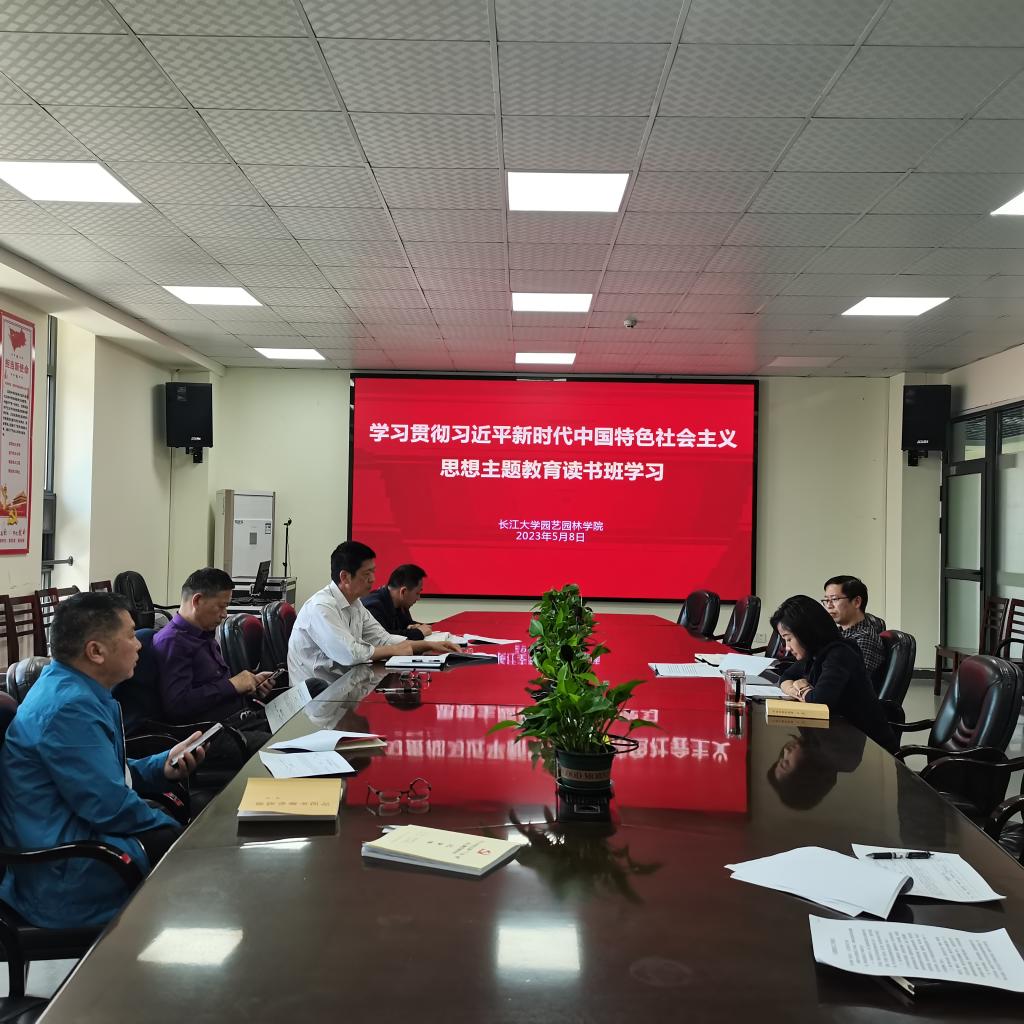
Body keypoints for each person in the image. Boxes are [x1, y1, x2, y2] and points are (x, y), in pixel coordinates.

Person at [0, 592, 206, 928]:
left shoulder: (78, 690)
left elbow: (103, 775)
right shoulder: (69, 707)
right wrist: (184, 833)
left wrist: (161, 766)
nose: (139, 645)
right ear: (95, 651)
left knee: (192, 850)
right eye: (130, 635)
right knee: (197, 859)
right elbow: (109, 805)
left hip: (83, 844)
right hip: (70, 873)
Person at [287, 541, 459, 684]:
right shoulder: (321, 607)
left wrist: (429, 646)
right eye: (367, 573)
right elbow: (350, 654)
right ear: (345, 577)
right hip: (315, 699)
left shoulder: (355, 603)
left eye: (373, 572)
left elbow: (383, 639)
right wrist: (394, 650)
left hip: (343, 686)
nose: (373, 579)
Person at [772, 595, 897, 753]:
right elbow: (785, 677)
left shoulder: (840, 653)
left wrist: (802, 688)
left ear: (806, 633)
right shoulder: (814, 653)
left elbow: (819, 701)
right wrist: (797, 689)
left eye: (788, 639)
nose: (787, 647)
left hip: (871, 749)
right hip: (838, 738)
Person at [153, 567, 275, 725]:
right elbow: (178, 705)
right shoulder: (172, 642)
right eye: (221, 606)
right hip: (216, 731)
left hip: (241, 718)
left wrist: (249, 688)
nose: (224, 614)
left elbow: (216, 689)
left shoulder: (205, 633)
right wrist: (232, 685)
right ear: (197, 601)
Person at [821, 575, 884, 682]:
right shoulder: (838, 634)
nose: (829, 605)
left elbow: (850, 682)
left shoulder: (864, 639)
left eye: (834, 599)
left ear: (857, 602)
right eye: (826, 600)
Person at [362, 564, 433, 640]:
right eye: (417, 593)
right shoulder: (373, 607)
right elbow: (383, 638)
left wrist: (417, 626)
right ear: (403, 592)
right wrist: (418, 632)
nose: (418, 598)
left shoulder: (400, 604)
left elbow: (407, 624)